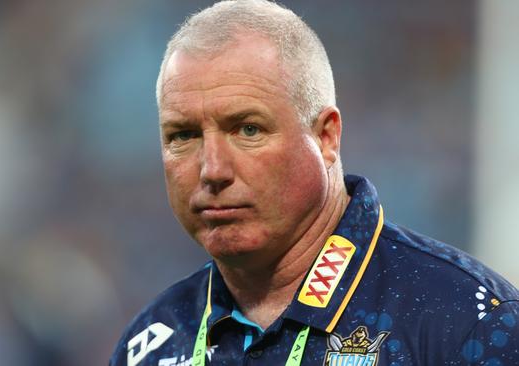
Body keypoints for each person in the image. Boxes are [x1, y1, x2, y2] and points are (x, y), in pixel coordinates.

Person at [110, 1, 519, 365]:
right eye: (183, 136)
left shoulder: (468, 323)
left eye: (248, 129)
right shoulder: (149, 344)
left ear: (327, 137)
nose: (212, 170)